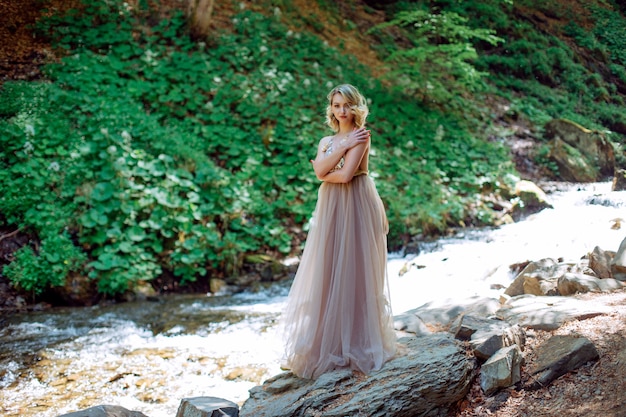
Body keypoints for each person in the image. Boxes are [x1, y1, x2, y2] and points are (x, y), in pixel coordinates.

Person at [280, 84, 396, 379]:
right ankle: (325, 342)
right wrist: (335, 154)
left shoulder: (361, 136)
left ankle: (357, 340)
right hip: (332, 207)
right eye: (336, 105)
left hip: (356, 202)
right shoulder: (326, 139)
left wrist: (330, 161)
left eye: (346, 105)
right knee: (328, 266)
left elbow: (343, 176)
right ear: (330, 108)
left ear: (355, 107)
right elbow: (320, 174)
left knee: (356, 269)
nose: (341, 110)